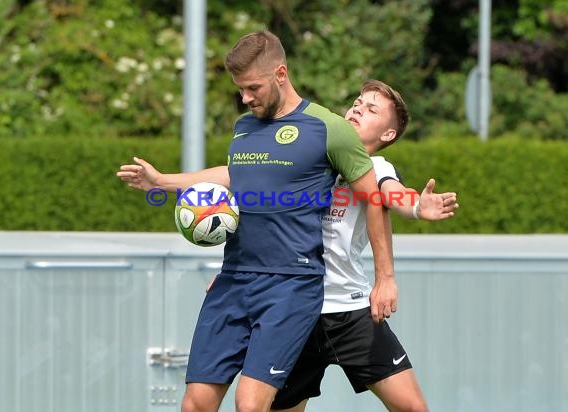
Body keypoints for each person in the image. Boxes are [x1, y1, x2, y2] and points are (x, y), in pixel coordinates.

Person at [118, 79, 458, 411]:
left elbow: (390, 193)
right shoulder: (308, 153)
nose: (357, 109)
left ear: (388, 134)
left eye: (371, 109)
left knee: (411, 406)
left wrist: (416, 206)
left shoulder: (375, 167)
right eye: (356, 103)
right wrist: (163, 182)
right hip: (289, 306)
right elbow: (235, 173)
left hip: (346, 309)